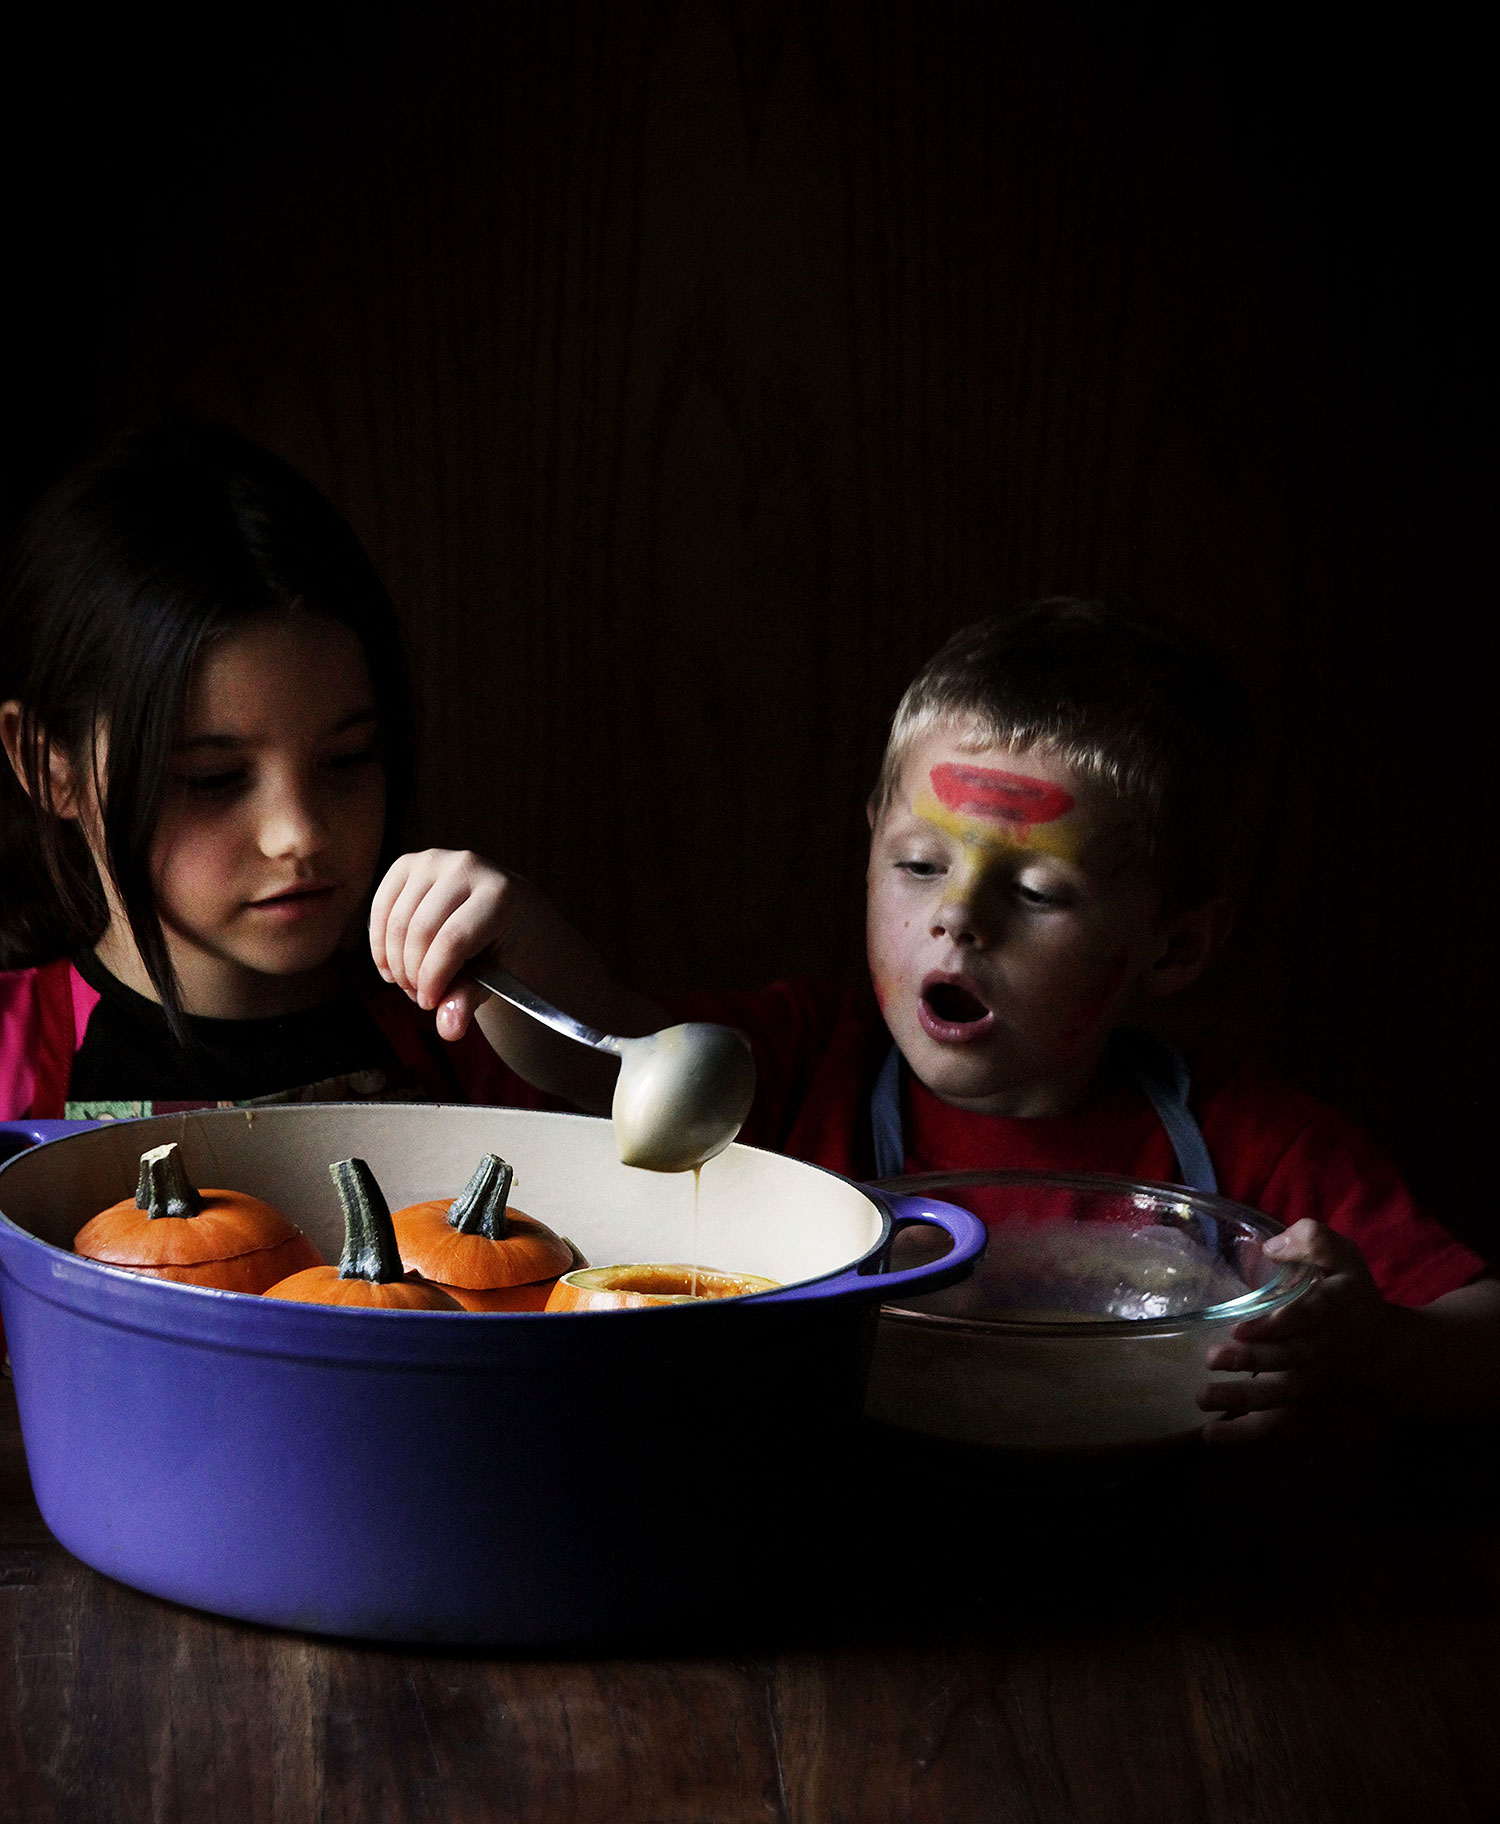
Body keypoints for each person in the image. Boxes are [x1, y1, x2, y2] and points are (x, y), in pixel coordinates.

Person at [366, 600, 1499, 1442]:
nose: (958, 919)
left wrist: (1377, 1345)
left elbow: (1478, 1334)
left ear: (1176, 944)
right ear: (867, 843)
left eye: (1039, 894)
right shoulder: (799, 1062)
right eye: (917, 864)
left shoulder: (1253, 1146)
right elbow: (603, 1057)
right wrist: (503, 939)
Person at [0, 423, 535, 1122]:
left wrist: (556, 995)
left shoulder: (481, 1028)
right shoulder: (13, 1057)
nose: (298, 833)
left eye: (344, 760)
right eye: (213, 777)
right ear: (49, 764)